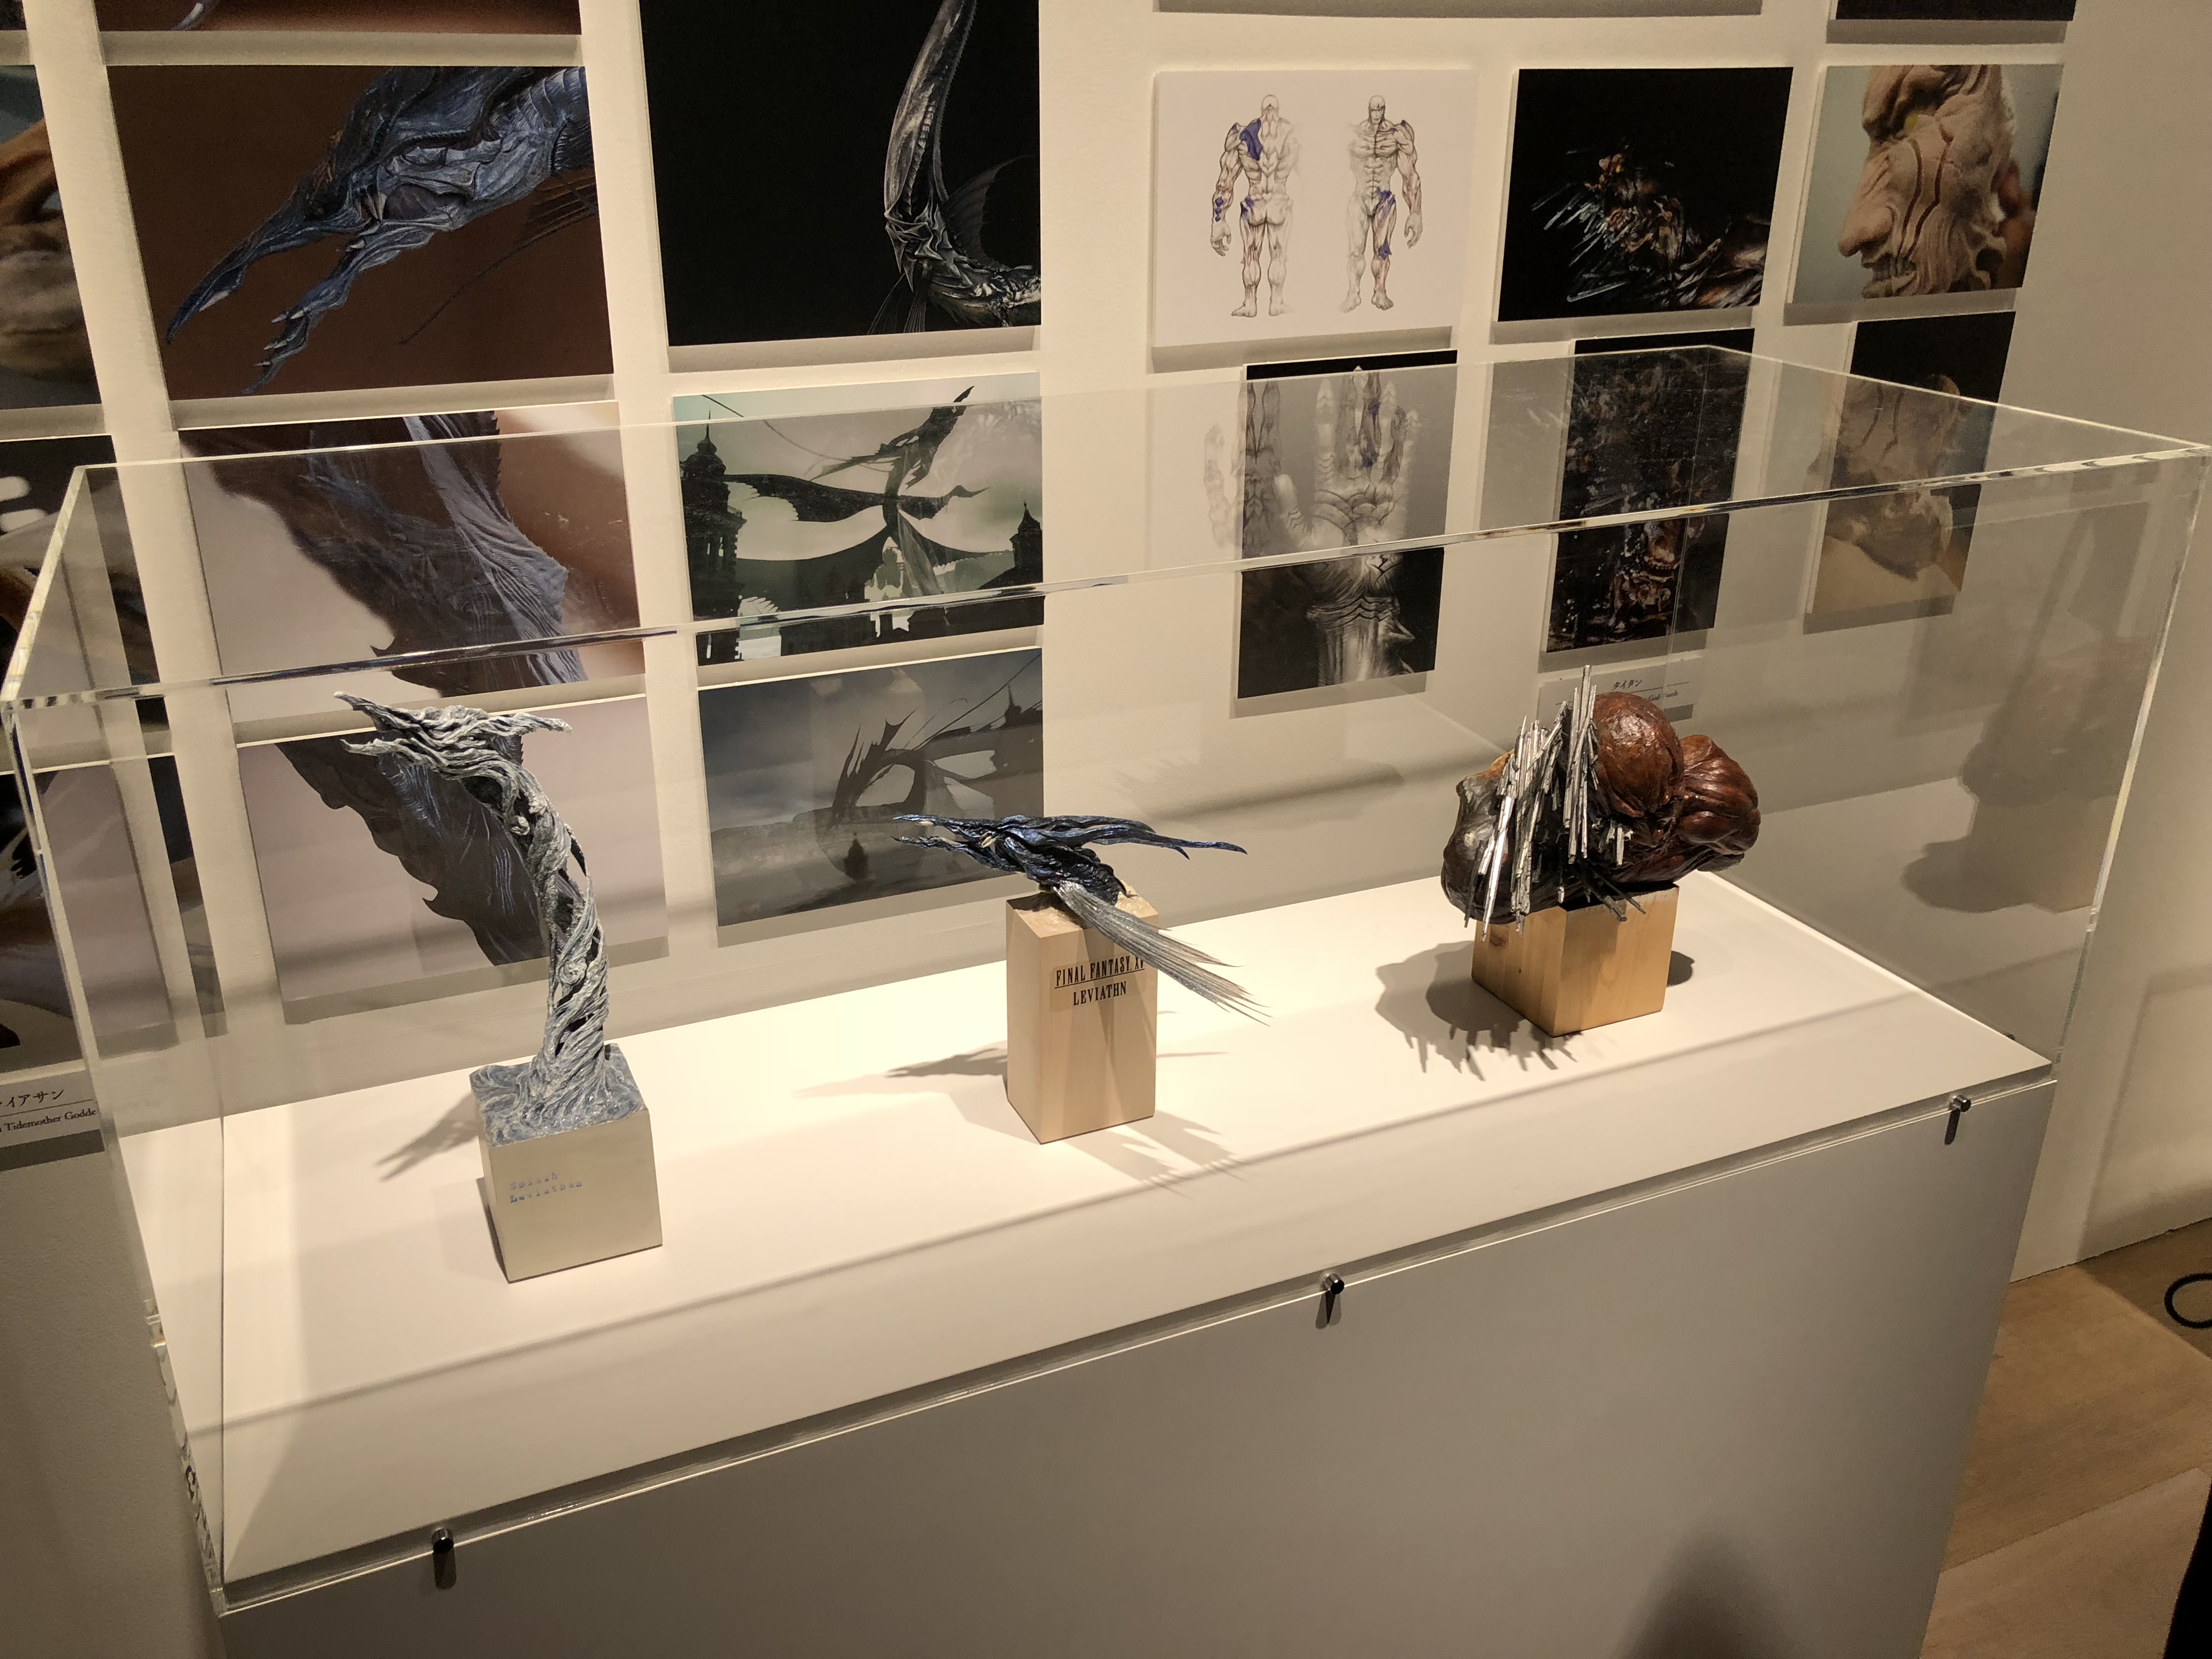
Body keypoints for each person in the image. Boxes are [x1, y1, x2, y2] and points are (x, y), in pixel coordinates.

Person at [1211, 95, 1298, 318]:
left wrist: (1219, 220)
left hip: (1255, 204)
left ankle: (1251, 305)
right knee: (1278, 254)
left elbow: (1226, 180)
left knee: (1251, 255)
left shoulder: (1243, 137)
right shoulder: (1291, 136)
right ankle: (1276, 302)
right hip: (1279, 203)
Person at [1341, 96, 1423, 312]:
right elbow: (1334, 167)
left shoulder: (1397, 136)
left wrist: (1415, 212)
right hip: (1359, 198)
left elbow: (1410, 176)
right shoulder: (1354, 134)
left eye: (1380, 109)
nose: (1377, 113)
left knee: (1382, 250)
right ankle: (1353, 293)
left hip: (1384, 200)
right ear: (1369, 110)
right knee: (1355, 251)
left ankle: (1380, 291)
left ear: (1385, 110)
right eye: (1373, 110)